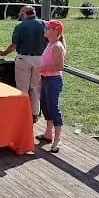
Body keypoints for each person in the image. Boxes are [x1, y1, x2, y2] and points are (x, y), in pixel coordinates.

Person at [0, 5, 46, 123]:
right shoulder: (44, 24)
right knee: (35, 88)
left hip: (24, 59)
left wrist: (4, 53)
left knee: (22, 88)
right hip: (40, 59)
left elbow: (14, 45)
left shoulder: (20, 26)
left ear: (24, 14)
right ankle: (35, 113)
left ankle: (23, 113)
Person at [36, 20, 66, 153]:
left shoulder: (57, 46)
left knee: (53, 108)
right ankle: (48, 133)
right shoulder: (50, 44)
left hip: (53, 80)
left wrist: (42, 68)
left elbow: (59, 66)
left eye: (48, 28)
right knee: (45, 106)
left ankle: (57, 138)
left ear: (55, 31)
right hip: (46, 79)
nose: (45, 29)